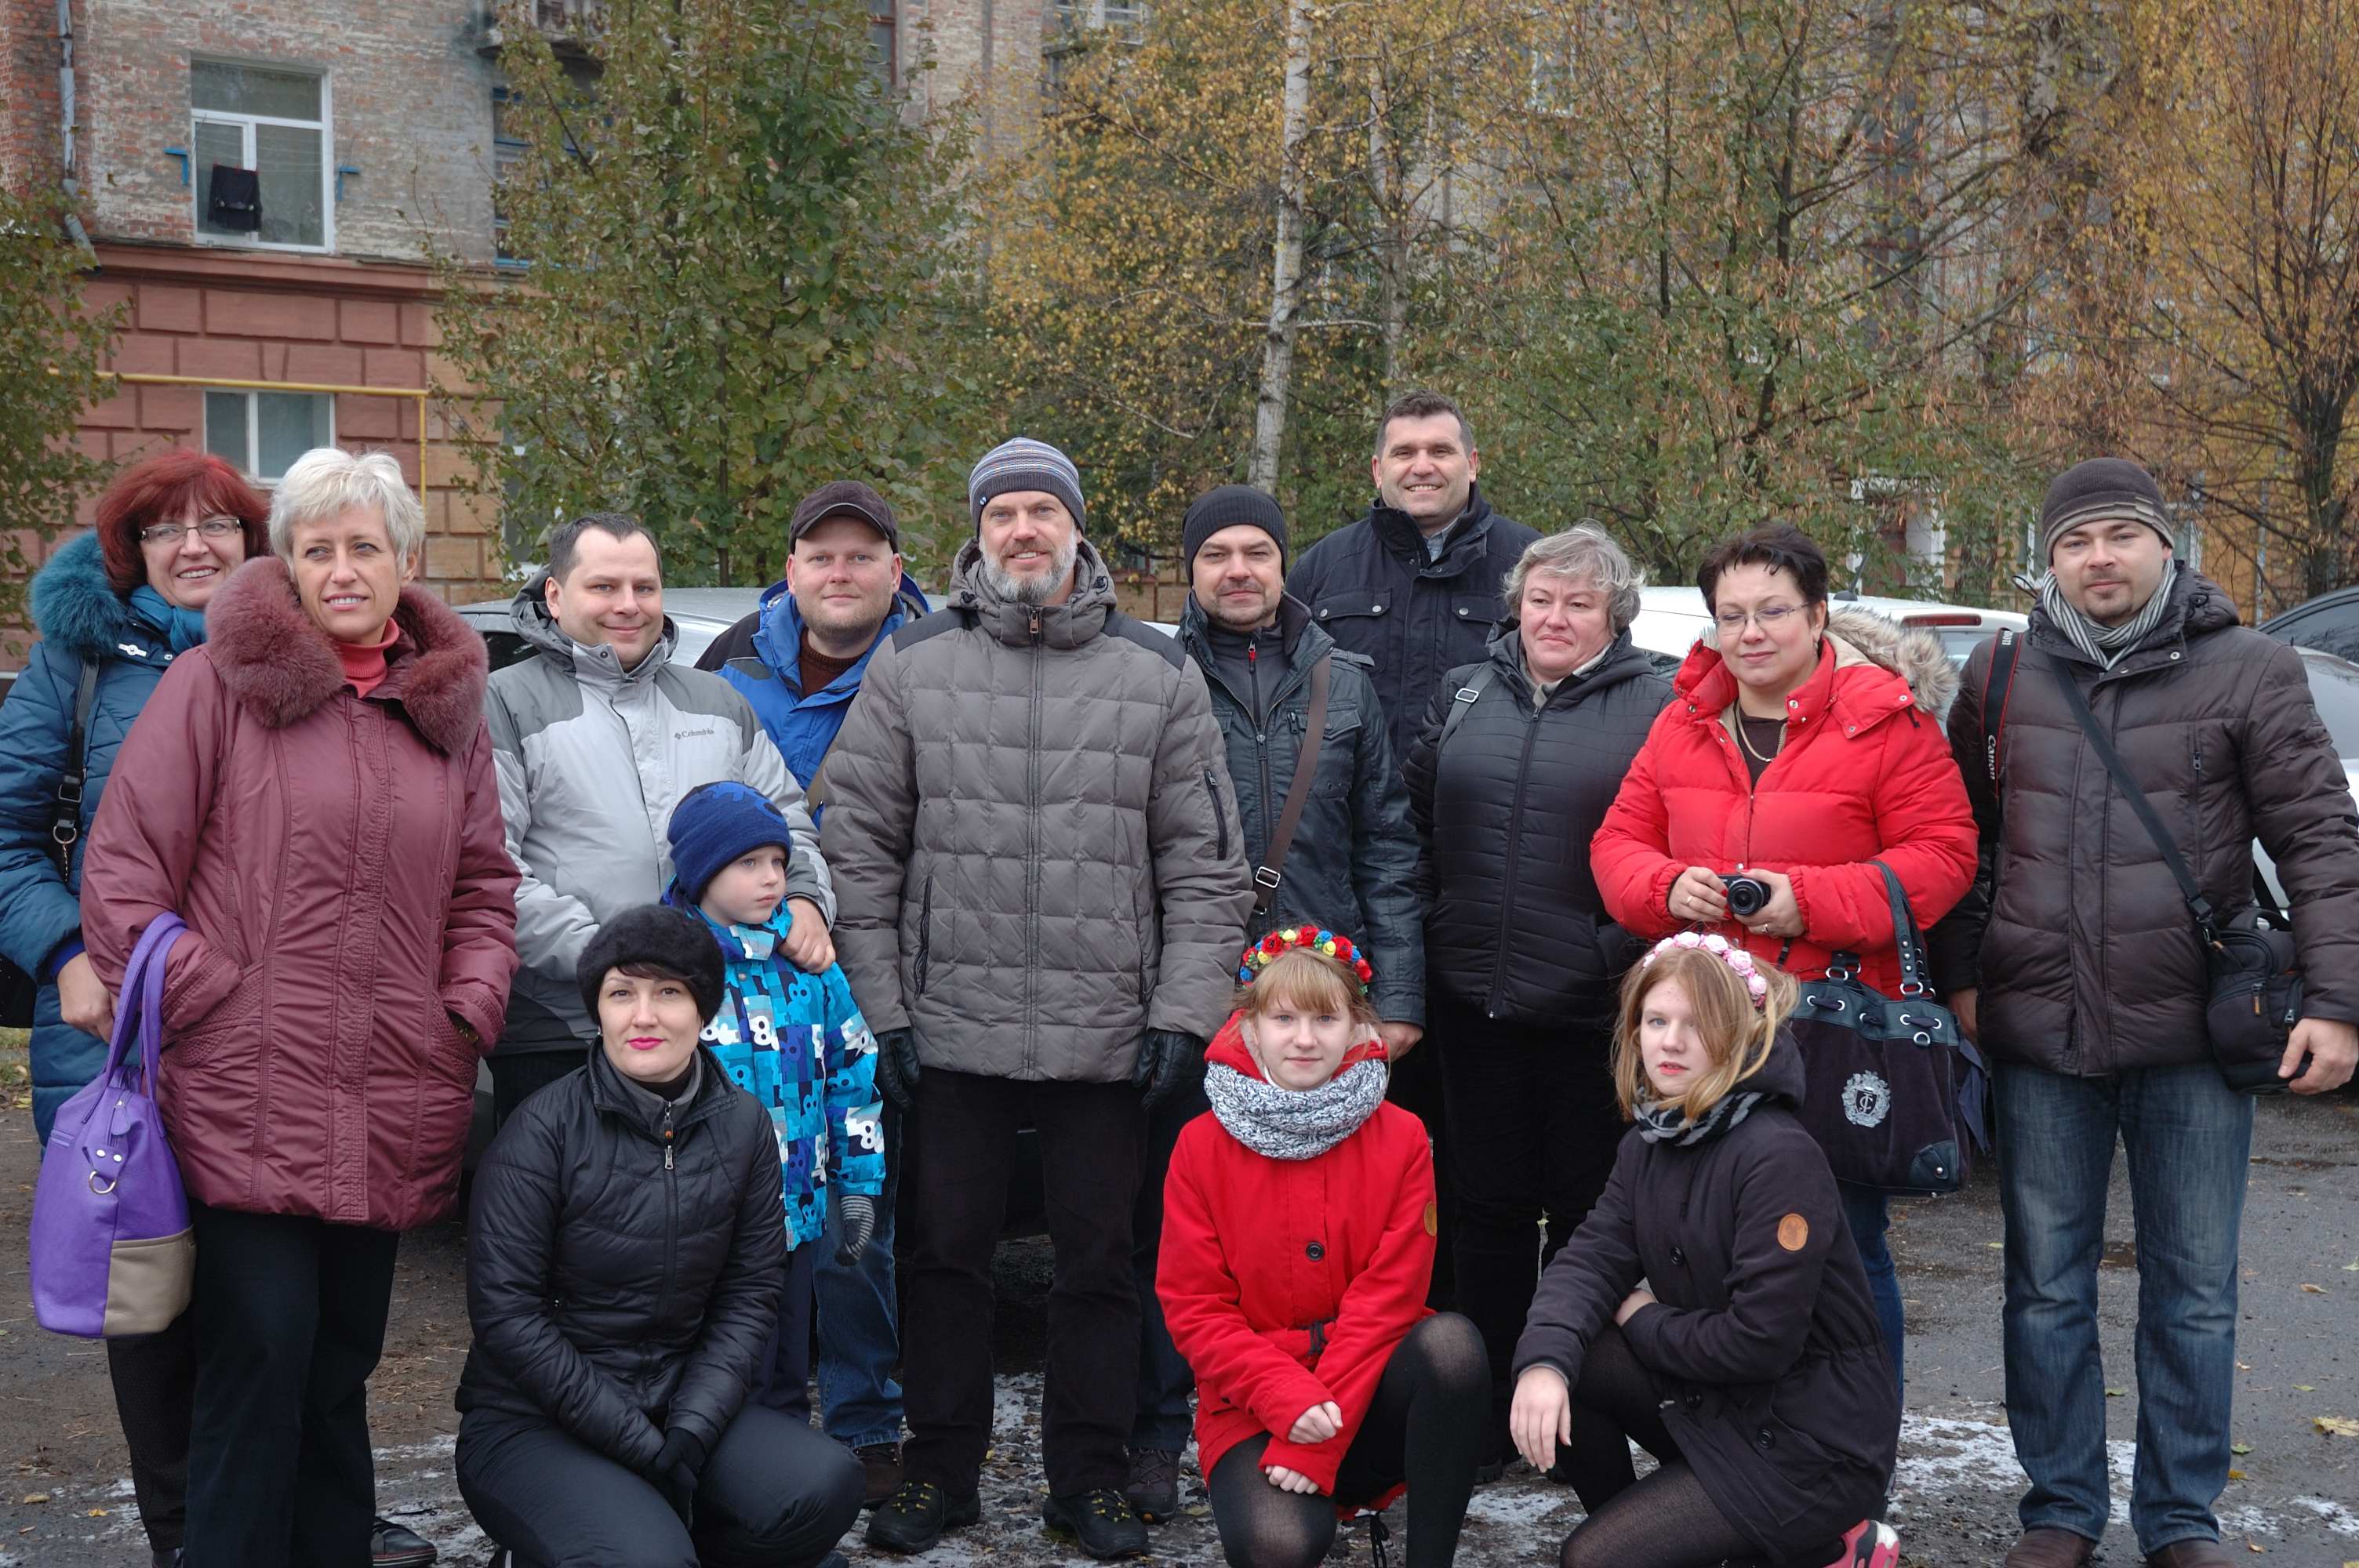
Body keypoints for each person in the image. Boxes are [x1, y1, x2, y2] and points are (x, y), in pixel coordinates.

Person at [79, 448, 519, 1568]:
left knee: (338, 1366)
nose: (341, 570)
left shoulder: (446, 712)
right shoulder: (213, 686)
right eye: (316, 549)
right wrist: (215, 998)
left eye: (364, 547)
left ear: (407, 561)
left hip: (389, 1087)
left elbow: (483, 888)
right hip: (244, 1092)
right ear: (286, 565)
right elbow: (124, 877)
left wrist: (464, 1011)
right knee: (260, 1358)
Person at [823, 436, 1252, 1559]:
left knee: (1101, 1266)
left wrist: (1184, 1014)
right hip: (946, 1027)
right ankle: (941, 1467)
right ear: (976, 533)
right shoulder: (913, 663)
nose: (1023, 530)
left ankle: (1090, 1478)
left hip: (1108, 1032)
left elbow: (1205, 865)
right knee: (942, 1259)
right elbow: (856, 848)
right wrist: (882, 1008)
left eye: (1042, 512)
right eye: (1002, 513)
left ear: (1075, 527)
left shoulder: (1157, 672)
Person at [1934, 459, 2359, 1568]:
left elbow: (2320, 841)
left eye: (2121, 535)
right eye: (2075, 541)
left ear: (2166, 546)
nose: (2100, 558)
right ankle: (2062, 1510)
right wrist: (1963, 976)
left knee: (2196, 1290)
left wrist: (2336, 1002)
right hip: (2041, 1031)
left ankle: (2178, 1519)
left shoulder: (2251, 669)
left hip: (2194, 1038)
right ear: (2048, 560)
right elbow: (1958, 842)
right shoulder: (2002, 672)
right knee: (2043, 1288)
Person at [1590, 522, 1976, 1389]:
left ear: (1817, 614)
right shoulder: (1683, 719)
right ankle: (1734, 1443)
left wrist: (1809, 900)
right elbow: (1616, 846)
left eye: (1772, 611)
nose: (1751, 632)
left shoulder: (1886, 719)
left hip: (1827, 1029)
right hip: (1704, 1031)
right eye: (1731, 615)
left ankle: (1854, 1441)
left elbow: (1945, 856)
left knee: (1843, 1246)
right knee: (1710, 1244)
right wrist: (1665, 886)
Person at [1123, 484, 1425, 1522]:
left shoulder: (1345, 682)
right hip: (1195, 990)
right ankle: (1163, 1429)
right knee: (1180, 1229)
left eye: (1257, 550)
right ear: (1191, 569)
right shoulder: (1151, 675)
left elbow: (1388, 843)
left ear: (1283, 562)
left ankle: (1320, 1410)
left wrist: (1399, 996)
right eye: (1216, 553)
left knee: (1323, 1229)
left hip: (1322, 1005)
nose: (1238, 569)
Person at [0, 452, 264, 1568]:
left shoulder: (291, 651)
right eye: (165, 529)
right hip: (117, 1037)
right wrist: (63, 950)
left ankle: (282, 1512)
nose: (193, 546)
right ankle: (183, 1536)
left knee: (271, 1301)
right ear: (131, 549)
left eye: (218, 524)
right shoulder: (78, 663)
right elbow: (8, 834)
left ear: (254, 542)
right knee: (150, 1304)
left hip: (264, 1034)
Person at [456, 904, 866, 1568]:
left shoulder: (744, 1127)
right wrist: (640, 1445)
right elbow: (508, 1317)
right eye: (622, 994)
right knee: (647, 1559)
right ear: (599, 1010)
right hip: (533, 1422)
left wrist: (693, 1428)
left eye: (668, 993)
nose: (643, 1016)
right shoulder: (542, 1131)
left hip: (677, 1405)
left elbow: (749, 1295)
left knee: (824, 1486)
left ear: (704, 1009)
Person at [1400, 523, 1671, 1475]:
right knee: (1485, 1212)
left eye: (1578, 603)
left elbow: (1675, 846)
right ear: (1515, 604)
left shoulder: (1658, 703)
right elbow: (1414, 825)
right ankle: (1487, 1414)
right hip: (1474, 1001)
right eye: (1541, 599)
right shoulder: (1464, 691)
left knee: (1590, 1219)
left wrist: (1610, 951)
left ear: (1613, 615)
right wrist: (1436, 926)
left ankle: (1574, 1410)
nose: (1554, 618)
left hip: (1595, 1011)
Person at [1509, 935, 1900, 1568]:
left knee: (1592, 1559)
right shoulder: (1647, 1145)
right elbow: (1587, 1261)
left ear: (1737, 1035)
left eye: (1695, 1025)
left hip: (1809, 1447)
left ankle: (1823, 1542)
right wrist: (1543, 1364)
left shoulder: (1779, 1154)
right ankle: (1696, 1542)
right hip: (1721, 1408)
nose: (1670, 1042)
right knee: (1576, 1350)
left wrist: (1643, 1317)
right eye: (1656, 1021)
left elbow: (1759, 1343)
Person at [696, 480, 927, 1504]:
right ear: (790, 569)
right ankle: (754, 1424)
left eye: (861, 555)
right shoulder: (729, 662)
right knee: (749, 1223)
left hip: (886, 973)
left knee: (856, 1214)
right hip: (746, 984)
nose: (840, 572)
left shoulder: (931, 660)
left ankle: (869, 1422)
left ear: (895, 569)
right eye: (821, 555)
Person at [1285, 390, 1535, 1309]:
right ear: (1376, 469)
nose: (1420, 465)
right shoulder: (1321, 569)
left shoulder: (1526, 568)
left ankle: (1466, 1347)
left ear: (1473, 463)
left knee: (1472, 1148)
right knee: (1352, 1132)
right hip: (1348, 890)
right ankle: (1352, 1332)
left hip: (1482, 890)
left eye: (1438, 449)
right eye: (1402, 451)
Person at [484, 511, 833, 1128]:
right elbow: (491, 869)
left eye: (644, 587)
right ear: (556, 595)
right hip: (563, 1032)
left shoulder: (716, 701)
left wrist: (806, 898)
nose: (629, 605)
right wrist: (613, 961)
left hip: (718, 1024)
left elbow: (787, 822)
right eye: (604, 587)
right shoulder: (503, 703)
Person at [1158, 927, 1484, 1568]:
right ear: (1250, 1029)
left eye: (1325, 1019)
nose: (1305, 1039)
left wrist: (1319, 1441)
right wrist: (1286, 1397)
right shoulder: (1199, 1144)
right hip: (1254, 1402)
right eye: (1284, 1019)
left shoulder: (1403, 1136)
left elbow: (1389, 1302)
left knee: (1452, 1348)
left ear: (1358, 1027)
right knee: (1277, 1545)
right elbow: (1196, 1310)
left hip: (1373, 1380)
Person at [662, 781, 885, 1431]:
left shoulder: (810, 966)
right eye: (749, 863)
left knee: (787, 1370)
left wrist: (858, 1185)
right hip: (704, 1222)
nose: (771, 879)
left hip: (796, 1213)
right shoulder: (672, 967)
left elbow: (852, 1071)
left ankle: (783, 1481)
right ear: (702, 870)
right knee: (719, 1371)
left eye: (780, 863)